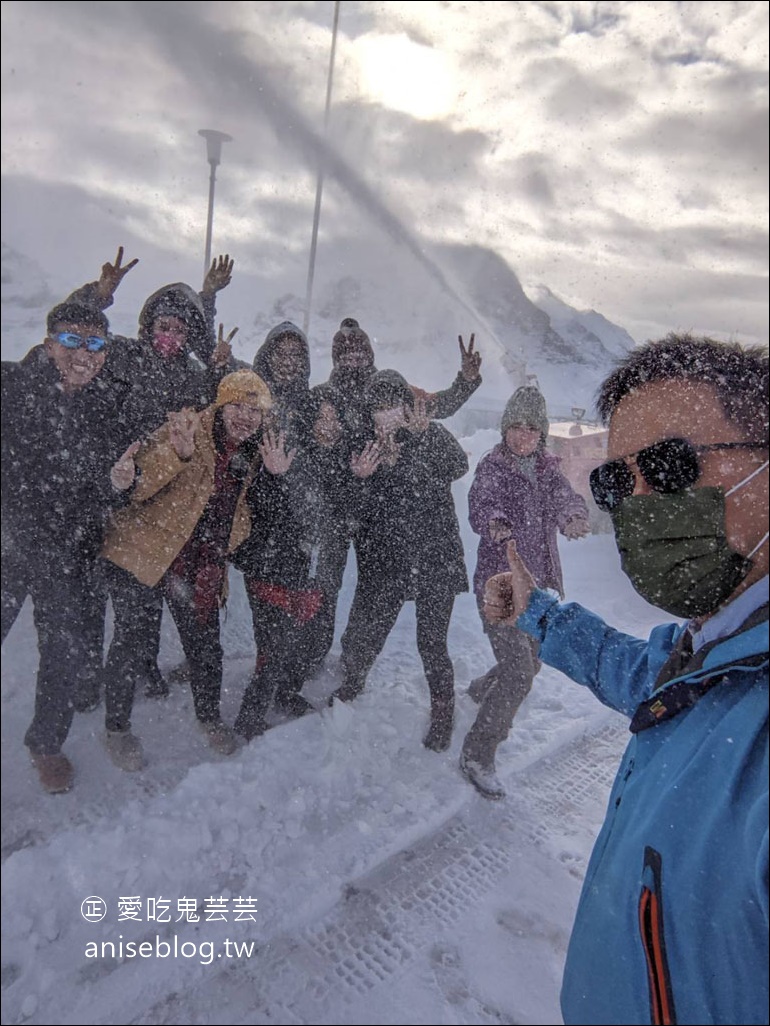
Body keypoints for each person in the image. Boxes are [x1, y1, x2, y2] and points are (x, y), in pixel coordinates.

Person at [482, 335, 768, 1025]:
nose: (639, 501)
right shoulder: (712, 655)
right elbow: (647, 677)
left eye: (670, 466)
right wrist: (539, 613)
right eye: (616, 483)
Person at [70, 248, 234, 700]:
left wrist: (208, 304)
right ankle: (85, 675)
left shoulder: (192, 376)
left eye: (181, 330)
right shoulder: (123, 354)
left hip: (153, 492)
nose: (171, 335)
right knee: (89, 587)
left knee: (147, 582)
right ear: (149, 326)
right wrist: (97, 296)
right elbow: (75, 335)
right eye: (165, 325)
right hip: (102, 482)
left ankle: (143, 661)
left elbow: (221, 397)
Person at [101, 369, 276, 769]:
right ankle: (117, 729)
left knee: (206, 646)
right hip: (144, 551)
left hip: (198, 564)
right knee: (130, 642)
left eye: (255, 410)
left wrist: (221, 543)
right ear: (220, 403)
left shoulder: (249, 455)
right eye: (238, 405)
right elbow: (139, 484)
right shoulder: (186, 428)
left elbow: (241, 512)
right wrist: (176, 455)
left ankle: (209, 717)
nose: (246, 417)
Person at [1, 300, 132, 793]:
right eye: (73, 340)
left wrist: (117, 481)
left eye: (96, 343)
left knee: (62, 652)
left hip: (69, 551)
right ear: (50, 342)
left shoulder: (104, 405)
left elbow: (101, 484)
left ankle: (46, 745)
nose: (84, 354)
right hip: (8, 545)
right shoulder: (13, 385)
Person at [309, 321, 482, 671]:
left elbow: (436, 407)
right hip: (339, 506)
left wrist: (465, 381)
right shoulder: (324, 395)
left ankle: (354, 655)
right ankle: (314, 652)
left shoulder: (393, 387)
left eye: (360, 351)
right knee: (326, 585)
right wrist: (324, 439)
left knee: (374, 585)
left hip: (379, 510)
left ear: (369, 354)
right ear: (335, 357)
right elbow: (308, 435)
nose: (353, 358)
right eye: (345, 353)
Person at [460, 385, 590, 799]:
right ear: (504, 429)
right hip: (500, 588)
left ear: (542, 433)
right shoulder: (494, 466)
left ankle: (482, 690)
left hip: (538, 590)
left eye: (531, 429)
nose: (523, 436)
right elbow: (482, 502)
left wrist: (572, 516)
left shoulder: (548, 470)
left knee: (529, 663)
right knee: (519, 673)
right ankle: (478, 753)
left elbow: (566, 499)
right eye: (516, 427)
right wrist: (496, 522)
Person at [330, 370, 470, 752]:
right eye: (378, 407)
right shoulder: (365, 446)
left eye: (392, 404)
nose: (385, 414)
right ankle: (354, 681)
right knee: (372, 628)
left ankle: (443, 713)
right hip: (388, 560)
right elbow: (351, 514)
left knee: (432, 643)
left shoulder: (428, 433)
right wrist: (361, 478)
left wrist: (424, 439)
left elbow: (459, 465)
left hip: (436, 557)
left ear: (406, 407)